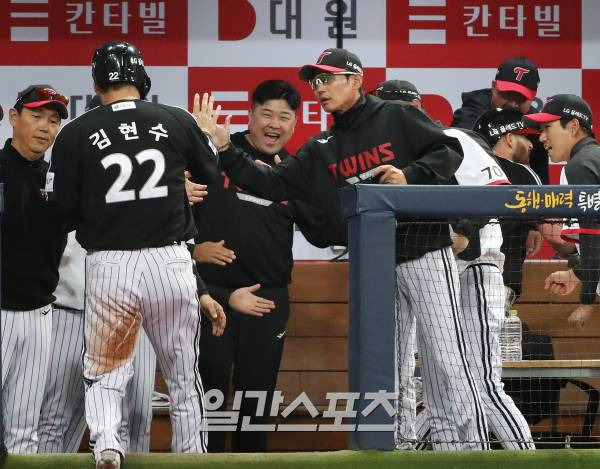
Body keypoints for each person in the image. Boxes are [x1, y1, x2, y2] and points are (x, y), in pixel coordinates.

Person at [202, 48, 491, 450]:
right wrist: (227, 150)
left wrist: (410, 175)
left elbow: (448, 152)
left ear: (355, 80)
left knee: (445, 356)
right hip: (373, 262)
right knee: (390, 365)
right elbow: (270, 183)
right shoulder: (323, 146)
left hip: (423, 249)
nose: (319, 88)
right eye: (315, 81)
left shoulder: (395, 115)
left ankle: (467, 448)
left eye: (328, 79)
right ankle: (399, 444)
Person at [47, 41, 226, 469]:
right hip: (170, 261)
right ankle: (192, 458)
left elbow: (61, 212)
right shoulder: (174, 119)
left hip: (111, 265)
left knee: (107, 373)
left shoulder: (74, 132)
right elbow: (210, 175)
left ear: (96, 83)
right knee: (184, 376)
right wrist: (204, 137)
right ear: (142, 80)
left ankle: (108, 446)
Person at [194, 79, 342, 452]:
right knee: (205, 400)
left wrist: (296, 194)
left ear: (295, 124)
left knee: (254, 405)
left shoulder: (294, 170)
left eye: (284, 117)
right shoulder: (212, 152)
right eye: (267, 114)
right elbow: (170, 213)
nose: (274, 124)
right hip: (210, 298)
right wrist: (195, 250)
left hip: (267, 301)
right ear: (251, 114)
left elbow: (323, 232)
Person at [37, 95, 157, 454]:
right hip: (71, 314)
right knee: (57, 417)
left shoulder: (156, 182)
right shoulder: (59, 178)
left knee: (135, 421)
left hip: (134, 319)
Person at [0, 84, 68, 453]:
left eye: (53, 120)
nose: (45, 127)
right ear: (14, 117)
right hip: (0, 310)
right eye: (36, 116)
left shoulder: (60, 180)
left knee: (25, 429)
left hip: (41, 313)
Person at [525, 95, 600, 330]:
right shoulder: (592, 159)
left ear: (574, 126)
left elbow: (593, 235)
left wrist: (587, 301)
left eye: (548, 127)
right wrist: (577, 273)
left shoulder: (580, 166)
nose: (542, 137)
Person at [451, 57, 548, 184]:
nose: (513, 104)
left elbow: (541, 182)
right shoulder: (472, 113)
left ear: (532, 98)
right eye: (507, 95)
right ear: (494, 87)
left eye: (521, 98)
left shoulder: (535, 125)